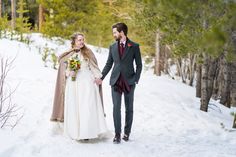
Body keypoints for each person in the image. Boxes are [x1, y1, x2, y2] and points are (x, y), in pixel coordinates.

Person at [51, 32, 108, 141]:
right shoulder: (69, 54)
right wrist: (69, 73)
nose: (82, 42)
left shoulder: (88, 52)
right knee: (75, 107)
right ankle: (76, 132)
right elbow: (64, 71)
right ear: (74, 42)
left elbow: (93, 66)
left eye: (82, 40)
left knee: (87, 106)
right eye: (79, 40)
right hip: (73, 84)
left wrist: (98, 77)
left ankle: (87, 132)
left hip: (87, 83)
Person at [95, 22, 142, 143]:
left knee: (129, 108)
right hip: (115, 81)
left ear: (121, 32)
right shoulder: (112, 47)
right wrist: (101, 77)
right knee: (116, 108)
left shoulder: (134, 46)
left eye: (115, 32)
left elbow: (139, 65)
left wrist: (135, 79)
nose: (114, 35)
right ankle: (117, 134)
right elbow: (109, 64)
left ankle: (127, 132)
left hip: (129, 81)